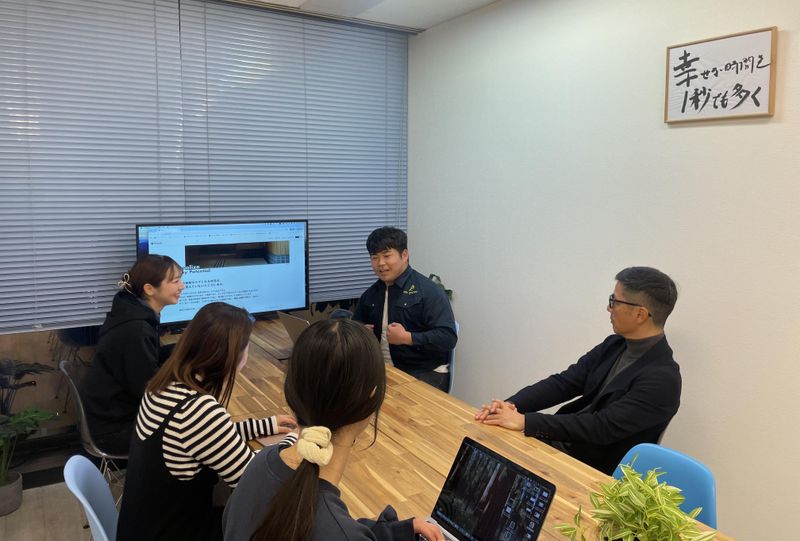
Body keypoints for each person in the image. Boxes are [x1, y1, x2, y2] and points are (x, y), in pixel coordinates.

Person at [222, 319, 444, 541]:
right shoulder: (336, 530)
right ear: (372, 393)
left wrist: (390, 533)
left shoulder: (262, 462)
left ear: (293, 388)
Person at [475, 266, 682, 475]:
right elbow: (564, 383)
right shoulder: (614, 345)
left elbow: (601, 427)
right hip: (561, 445)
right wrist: (511, 406)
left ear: (640, 314)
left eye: (614, 301)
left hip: (590, 470)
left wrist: (525, 421)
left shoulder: (663, 379)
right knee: (481, 448)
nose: (609, 308)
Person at [117, 302, 297, 541]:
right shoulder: (198, 410)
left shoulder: (164, 386)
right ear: (233, 356)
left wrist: (264, 426)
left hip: (144, 527)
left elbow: (209, 438)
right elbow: (256, 483)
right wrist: (293, 442)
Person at [81, 254, 185, 455]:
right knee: (193, 429)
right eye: (175, 281)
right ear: (149, 289)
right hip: (115, 429)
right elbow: (149, 390)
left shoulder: (132, 311)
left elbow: (150, 358)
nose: (182, 286)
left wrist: (185, 350)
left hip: (114, 414)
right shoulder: (136, 329)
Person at [352, 227, 457, 392]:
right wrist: (360, 333)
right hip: (381, 369)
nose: (380, 263)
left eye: (387, 256)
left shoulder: (429, 292)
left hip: (424, 371)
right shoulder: (371, 294)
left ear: (405, 255)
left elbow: (447, 338)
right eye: (374, 257)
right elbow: (355, 327)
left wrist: (408, 338)